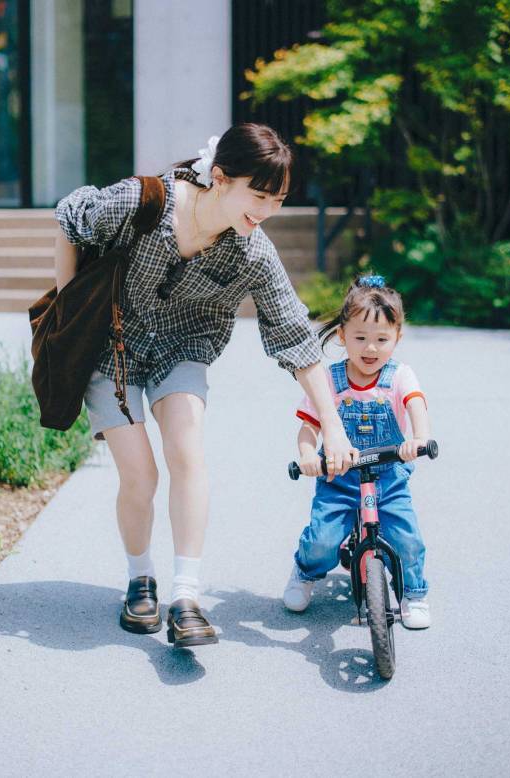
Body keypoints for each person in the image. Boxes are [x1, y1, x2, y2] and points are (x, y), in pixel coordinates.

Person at [53, 123, 358, 647]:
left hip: (183, 349)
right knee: (141, 475)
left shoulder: (252, 253)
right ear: (219, 177)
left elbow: (296, 336)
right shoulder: (143, 202)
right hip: (111, 346)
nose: (266, 211)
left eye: (278, 200)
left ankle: (186, 598)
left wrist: (333, 426)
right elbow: (70, 217)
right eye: (258, 195)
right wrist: (68, 315)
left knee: (187, 454)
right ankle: (140, 580)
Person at [283, 274, 431, 629]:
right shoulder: (329, 379)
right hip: (339, 477)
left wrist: (419, 438)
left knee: (407, 538)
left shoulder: (399, 376)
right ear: (342, 335)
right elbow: (309, 427)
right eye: (360, 338)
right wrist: (308, 455)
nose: (371, 349)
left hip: (388, 478)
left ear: (397, 337)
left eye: (382, 339)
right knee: (322, 539)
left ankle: (414, 592)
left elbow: (415, 404)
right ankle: (305, 571)